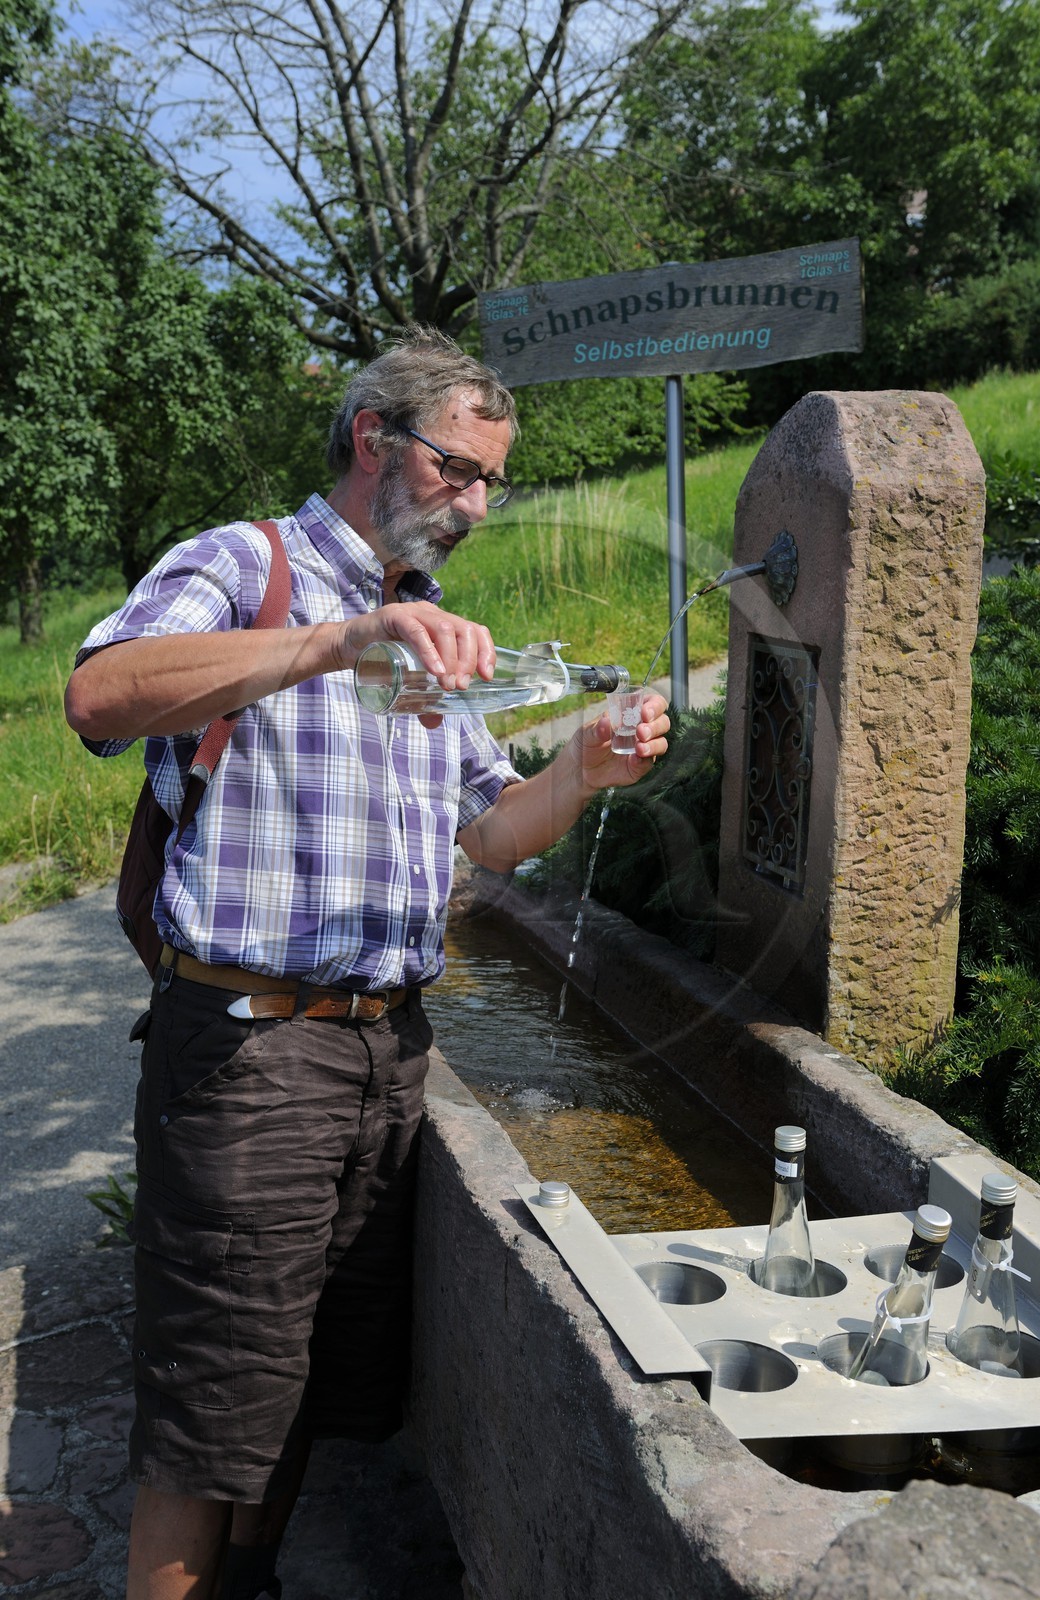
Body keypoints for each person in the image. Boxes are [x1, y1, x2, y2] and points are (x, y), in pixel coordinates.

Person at [64, 326, 670, 1600]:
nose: (480, 504)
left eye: (494, 481)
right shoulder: (249, 564)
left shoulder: (429, 626)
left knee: (305, 1376)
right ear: (372, 440)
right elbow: (103, 696)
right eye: (460, 470)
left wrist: (585, 768)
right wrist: (337, 641)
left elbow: (491, 835)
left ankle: (254, 1580)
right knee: (207, 1407)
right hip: (250, 1049)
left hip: (386, 1051)